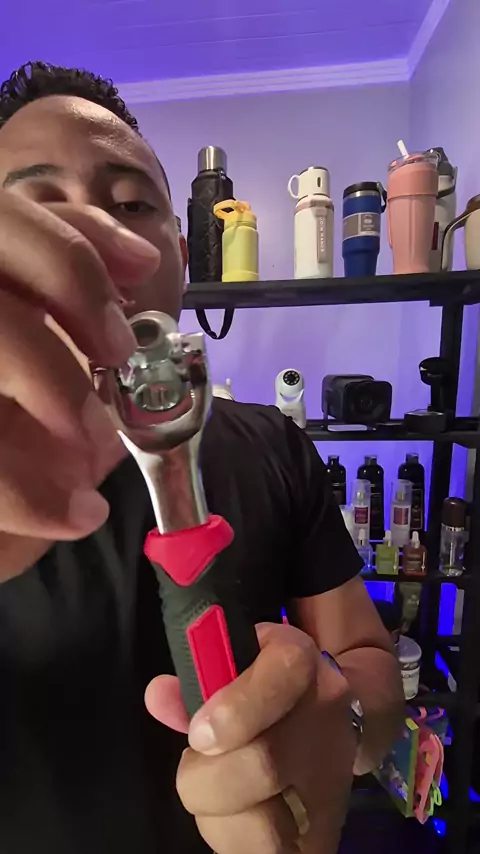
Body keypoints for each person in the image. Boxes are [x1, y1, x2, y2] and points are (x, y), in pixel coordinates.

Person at [0, 61, 404, 854]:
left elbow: (370, 668)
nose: (88, 232)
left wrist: (344, 725)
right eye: (37, 209)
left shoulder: (276, 445)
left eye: (129, 204)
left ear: (182, 256)